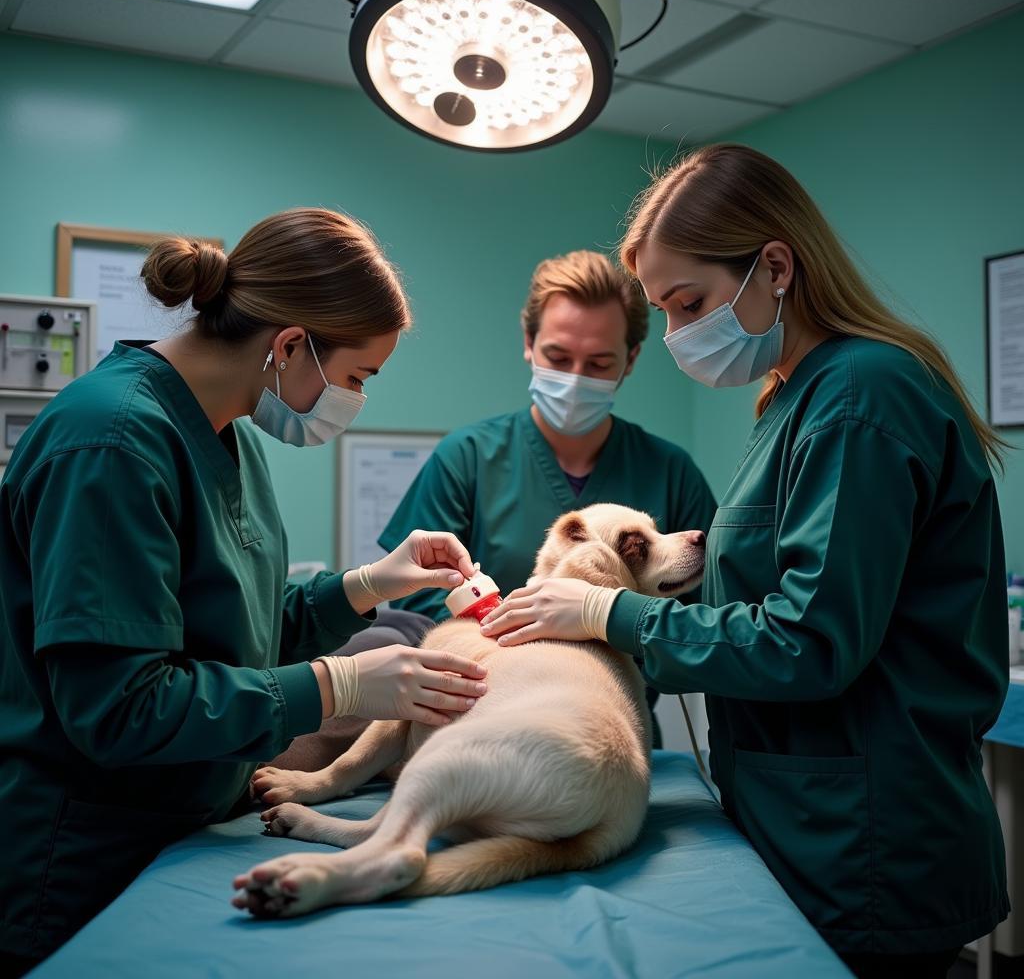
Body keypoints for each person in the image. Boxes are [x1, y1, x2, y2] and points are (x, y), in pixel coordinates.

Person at [479, 145, 1010, 979]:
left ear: (774, 265)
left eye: (689, 303)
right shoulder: (794, 396)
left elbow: (810, 642)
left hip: (865, 838)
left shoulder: (861, 393)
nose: (684, 333)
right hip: (805, 811)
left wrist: (609, 614)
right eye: (667, 310)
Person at [0, 208, 488, 975]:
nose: (358, 397)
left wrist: (368, 584)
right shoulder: (112, 443)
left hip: (185, 823)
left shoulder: (227, 430)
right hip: (83, 854)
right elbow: (122, 709)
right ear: (290, 345)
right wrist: (342, 683)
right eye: (357, 376)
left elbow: (240, 631)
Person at [378, 250, 717, 742]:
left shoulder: (670, 471)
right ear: (529, 344)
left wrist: (607, 631)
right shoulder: (468, 458)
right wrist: (510, 652)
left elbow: (707, 627)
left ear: (631, 360)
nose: (576, 378)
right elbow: (414, 602)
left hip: (605, 726)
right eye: (558, 358)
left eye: (599, 363)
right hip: (477, 716)